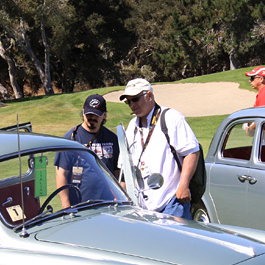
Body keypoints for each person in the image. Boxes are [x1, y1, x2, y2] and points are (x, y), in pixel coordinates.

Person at [120, 78, 201, 218]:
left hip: (173, 202)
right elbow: (125, 167)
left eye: (135, 99)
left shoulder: (171, 117)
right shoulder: (132, 126)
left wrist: (183, 185)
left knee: (176, 240)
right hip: (142, 208)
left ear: (149, 96)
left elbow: (192, 152)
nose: (132, 105)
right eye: (128, 101)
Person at [55, 94, 120, 207]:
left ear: (104, 115)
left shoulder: (112, 139)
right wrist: (66, 207)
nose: (92, 118)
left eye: (96, 115)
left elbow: (118, 172)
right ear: (83, 112)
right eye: (88, 114)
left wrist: (120, 198)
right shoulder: (69, 139)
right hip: (79, 206)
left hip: (109, 205)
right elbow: (61, 174)